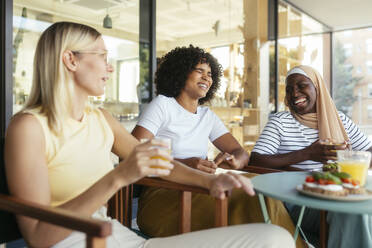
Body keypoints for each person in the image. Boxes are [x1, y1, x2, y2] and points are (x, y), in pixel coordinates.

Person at [3, 22, 295, 248]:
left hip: (122, 239)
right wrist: (117, 177)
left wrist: (212, 180)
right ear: (70, 60)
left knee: (274, 238)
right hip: (77, 241)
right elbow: (39, 236)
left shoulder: (101, 118)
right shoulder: (28, 127)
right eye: (102, 56)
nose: (110, 68)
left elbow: (160, 163)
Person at [131, 46, 304, 248]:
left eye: (210, 74)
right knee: (250, 192)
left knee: (257, 184)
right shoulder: (163, 105)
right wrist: (184, 164)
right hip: (164, 196)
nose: (206, 77)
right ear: (180, 72)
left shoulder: (207, 116)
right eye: (199, 71)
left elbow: (240, 153)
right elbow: (132, 154)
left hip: (201, 188)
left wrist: (235, 160)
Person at [249, 65, 372, 248]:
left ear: (317, 87)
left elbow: (367, 151)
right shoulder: (280, 121)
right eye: (289, 89)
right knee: (352, 212)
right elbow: (256, 160)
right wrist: (307, 153)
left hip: (340, 190)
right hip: (299, 198)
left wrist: (352, 159)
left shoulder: (339, 119)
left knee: (363, 209)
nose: (294, 93)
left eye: (302, 85)